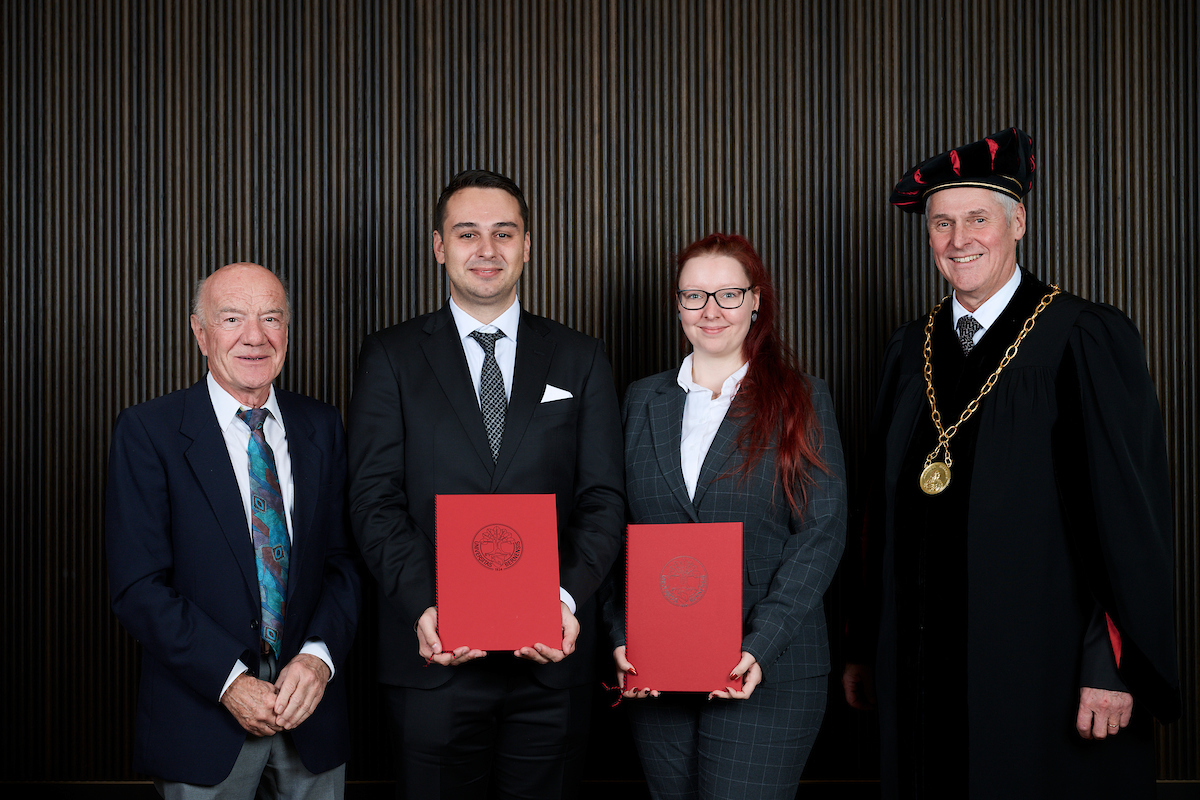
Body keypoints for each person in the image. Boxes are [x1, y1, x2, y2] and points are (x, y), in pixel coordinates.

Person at [841, 128, 1181, 798]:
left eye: (977, 219)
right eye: (942, 222)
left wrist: (1108, 665)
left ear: (1018, 222)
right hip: (919, 670)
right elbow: (879, 515)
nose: (959, 239)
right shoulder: (910, 349)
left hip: (1046, 669)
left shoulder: (1082, 337)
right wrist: (864, 645)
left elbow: (1128, 522)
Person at [347, 168, 625, 799]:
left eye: (504, 232)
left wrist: (566, 600)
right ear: (439, 246)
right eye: (467, 233)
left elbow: (603, 499)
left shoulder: (581, 356)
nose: (487, 249)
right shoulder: (389, 356)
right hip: (433, 656)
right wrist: (428, 604)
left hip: (551, 657)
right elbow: (373, 499)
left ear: (528, 244)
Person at [106, 262, 362, 798]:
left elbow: (346, 562)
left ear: (287, 332)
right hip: (202, 718)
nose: (255, 336)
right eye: (231, 318)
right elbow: (137, 586)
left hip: (310, 713)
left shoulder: (322, 426)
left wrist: (319, 659)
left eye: (272, 318)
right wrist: (229, 682)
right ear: (200, 333)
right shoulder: (148, 431)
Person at [607, 233, 847, 799]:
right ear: (677, 305)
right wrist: (622, 638)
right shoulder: (641, 399)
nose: (711, 311)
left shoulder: (801, 399)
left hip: (767, 667)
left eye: (728, 294)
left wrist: (760, 644)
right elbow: (615, 531)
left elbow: (821, 533)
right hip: (658, 673)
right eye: (694, 296)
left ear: (757, 300)